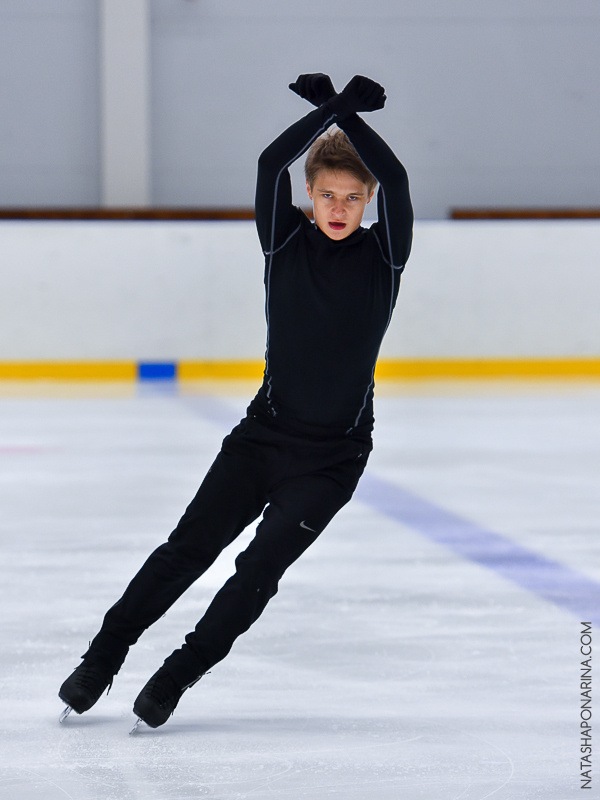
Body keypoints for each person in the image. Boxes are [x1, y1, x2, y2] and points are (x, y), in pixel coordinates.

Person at [58, 73, 413, 729]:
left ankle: (173, 679)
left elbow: (398, 179)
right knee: (185, 553)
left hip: (332, 460)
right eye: (327, 194)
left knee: (256, 573)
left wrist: (345, 116)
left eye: (352, 198)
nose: (339, 207)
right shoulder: (282, 241)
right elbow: (266, 163)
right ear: (309, 195)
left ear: (368, 203)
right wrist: (331, 110)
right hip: (262, 439)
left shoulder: (386, 256)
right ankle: (101, 660)